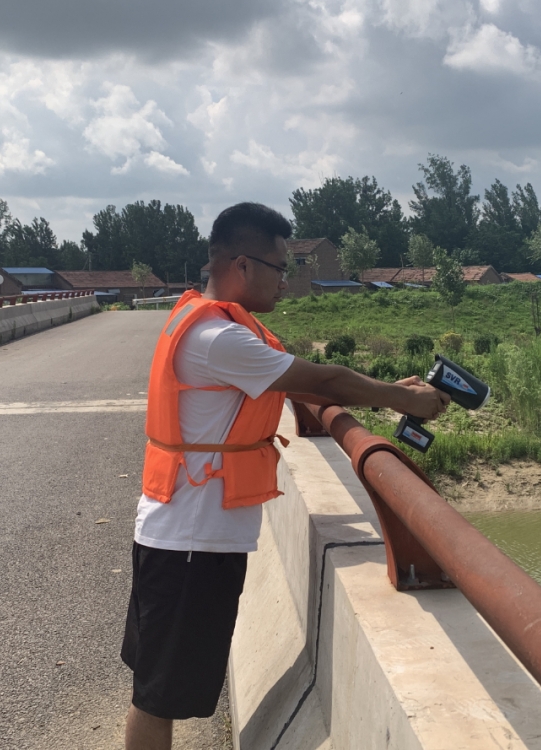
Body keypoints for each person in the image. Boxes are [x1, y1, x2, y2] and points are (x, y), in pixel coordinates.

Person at [121, 202, 450, 750]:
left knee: (158, 687)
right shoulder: (220, 339)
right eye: (280, 268)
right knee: (157, 697)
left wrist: (390, 388)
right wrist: (402, 399)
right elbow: (325, 379)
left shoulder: (207, 323)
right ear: (242, 265)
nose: (286, 281)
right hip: (191, 544)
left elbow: (297, 381)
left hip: (186, 534)